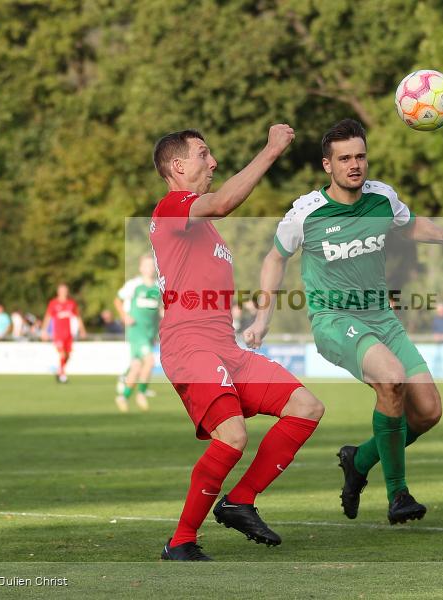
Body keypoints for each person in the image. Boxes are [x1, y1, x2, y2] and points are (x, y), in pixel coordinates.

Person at [246, 119, 443, 527]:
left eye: (360, 156)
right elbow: (275, 258)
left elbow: (409, 224)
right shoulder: (306, 213)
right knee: (391, 378)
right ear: (327, 165)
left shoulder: (382, 198)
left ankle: (359, 460)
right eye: (344, 158)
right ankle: (398, 494)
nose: (354, 165)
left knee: (427, 412)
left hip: (382, 318)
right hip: (334, 320)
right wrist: (263, 317)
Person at [150, 124, 323, 561]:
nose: (213, 162)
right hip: (189, 347)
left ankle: (239, 501)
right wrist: (271, 149)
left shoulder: (202, 228)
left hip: (226, 348)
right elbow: (225, 202)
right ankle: (181, 542)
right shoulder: (172, 206)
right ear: (177, 166)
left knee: (306, 406)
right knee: (232, 435)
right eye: (203, 154)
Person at [113, 255, 161, 412]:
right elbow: (117, 300)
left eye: (152, 265)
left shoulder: (158, 287)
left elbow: (160, 310)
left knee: (136, 367)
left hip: (150, 333)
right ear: (141, 268)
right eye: (146, 265)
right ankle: (141, 393)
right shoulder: (134, 285)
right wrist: (124, 316)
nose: (149, 268)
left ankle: (123, 397)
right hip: (136, 331)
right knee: (150, 361)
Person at [42, 284, 86, 383]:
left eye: (65, 290)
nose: (63, 292)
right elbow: (48, 317)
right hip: (58, 334)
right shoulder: (53, 303)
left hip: (68, 334)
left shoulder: (72, 303)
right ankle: (62, 375)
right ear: (58, 292)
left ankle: (59, 371)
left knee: (68, 356)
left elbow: (78, 317)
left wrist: (82, 330)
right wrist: (44, 331)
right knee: (62, 354)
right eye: (61, 290)